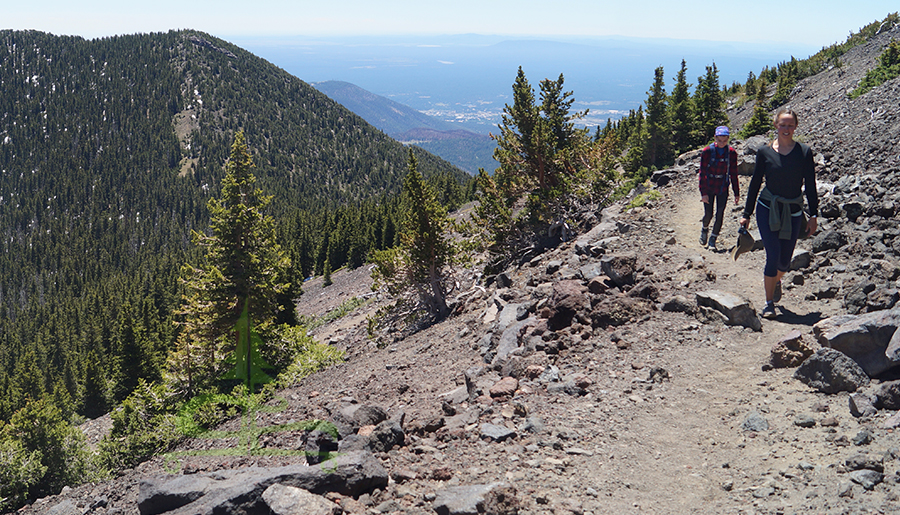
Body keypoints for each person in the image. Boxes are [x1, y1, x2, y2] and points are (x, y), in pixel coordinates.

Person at [740, 108, 818, 319]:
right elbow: (755, 183)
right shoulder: (765, 153)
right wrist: (746, 214)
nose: (786, 129)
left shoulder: (804, 152)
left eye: (790, 125)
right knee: (772, 255)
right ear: (776, 125)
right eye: (782, 124)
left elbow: (810, 185)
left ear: (795, 127)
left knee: (784, 261)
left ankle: (776, 281)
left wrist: (813, 215)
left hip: (793, 210)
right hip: (768, 207)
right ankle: (768, 303)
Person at [698, 126, 740, 251]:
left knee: (720, 214)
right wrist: (703, 193)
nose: (722, 143)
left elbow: (733, 173)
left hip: (722, 186)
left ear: (728, 139)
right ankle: (705, 228)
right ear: (715, 138)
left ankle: (713, 240)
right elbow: (702, 173)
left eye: (724, 140)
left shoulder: (731, 153)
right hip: (709, 185)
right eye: (720, 140)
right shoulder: (707, 151)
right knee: (708, 214)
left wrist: (736, 193)